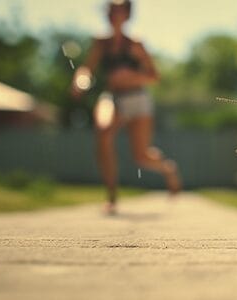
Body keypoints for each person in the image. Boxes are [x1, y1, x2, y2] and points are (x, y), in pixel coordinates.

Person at [70, 0, 181, 215]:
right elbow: (86, 68)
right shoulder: (101, 43)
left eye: (119, 11)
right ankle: (111, 197)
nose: (114, 15)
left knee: (141, 157)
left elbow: (155, 76)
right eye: (111, 11)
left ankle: (167, 168)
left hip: (138, 99)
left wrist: (131, 76)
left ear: (127, 15)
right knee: (103, 132)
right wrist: (80, 80)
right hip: (114, 97)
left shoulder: (136, 44)